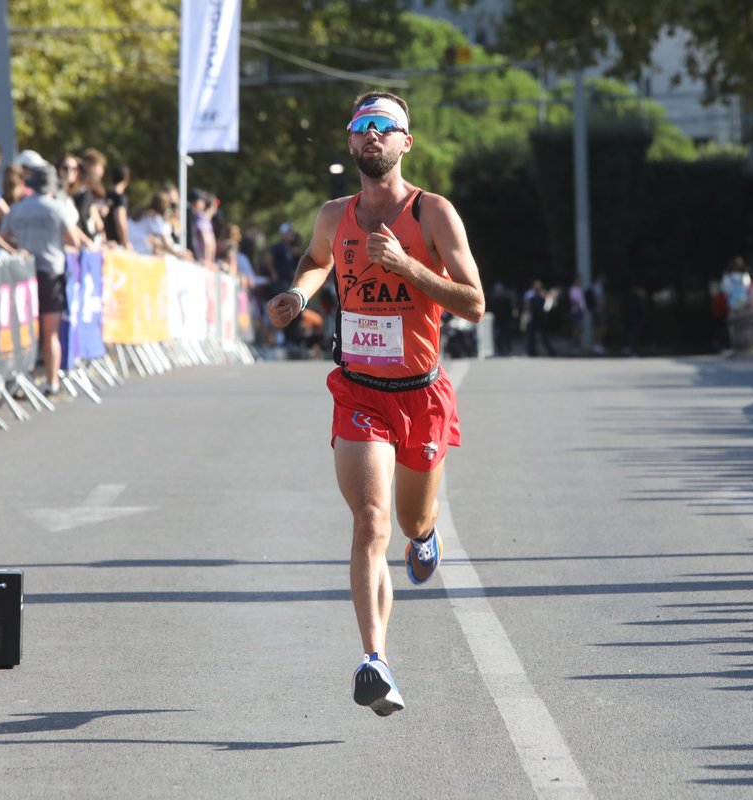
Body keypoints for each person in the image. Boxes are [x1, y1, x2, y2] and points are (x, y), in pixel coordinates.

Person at [265, 91, 484, 716]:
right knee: (369, 520)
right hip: (359, 390)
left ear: (405, 142)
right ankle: (375, 661)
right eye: (362, 127)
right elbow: (315, 261)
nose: (372, 137)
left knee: (412, 522)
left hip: (421, 395)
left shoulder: (434, 213)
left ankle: (427, 535)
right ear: (351, 140)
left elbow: (473, 302)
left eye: (384, 128)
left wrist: (409, 267)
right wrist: (299, 294)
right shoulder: (335, 215)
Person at [0, 164, 82, 394]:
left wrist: (18, 246)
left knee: (23, 331)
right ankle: (51, 382)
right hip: (50, 273)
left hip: (23, 274)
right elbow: (74, 240)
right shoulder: (58, 208)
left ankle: (22, 379)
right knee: (50, 333)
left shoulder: (17, 209)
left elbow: (2, 236)